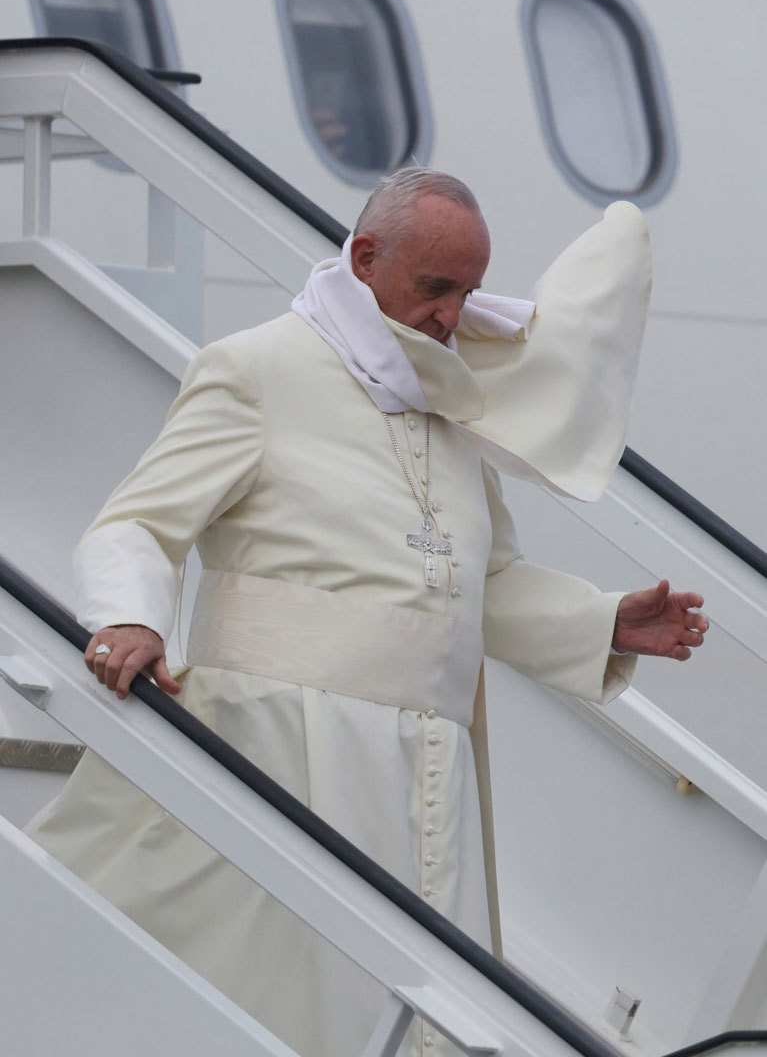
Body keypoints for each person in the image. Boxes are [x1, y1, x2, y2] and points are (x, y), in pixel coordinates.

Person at [28, 169, 707, 1057]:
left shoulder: (445, 399)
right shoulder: (257, 367)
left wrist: (603, 621)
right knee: (271, 1003)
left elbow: (480, 583)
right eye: (434, 287)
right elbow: (138, 526)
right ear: (364, 259)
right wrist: (132, 619)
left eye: (466, 293)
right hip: (280, 748)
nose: (450, 316)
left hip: (426, 770)